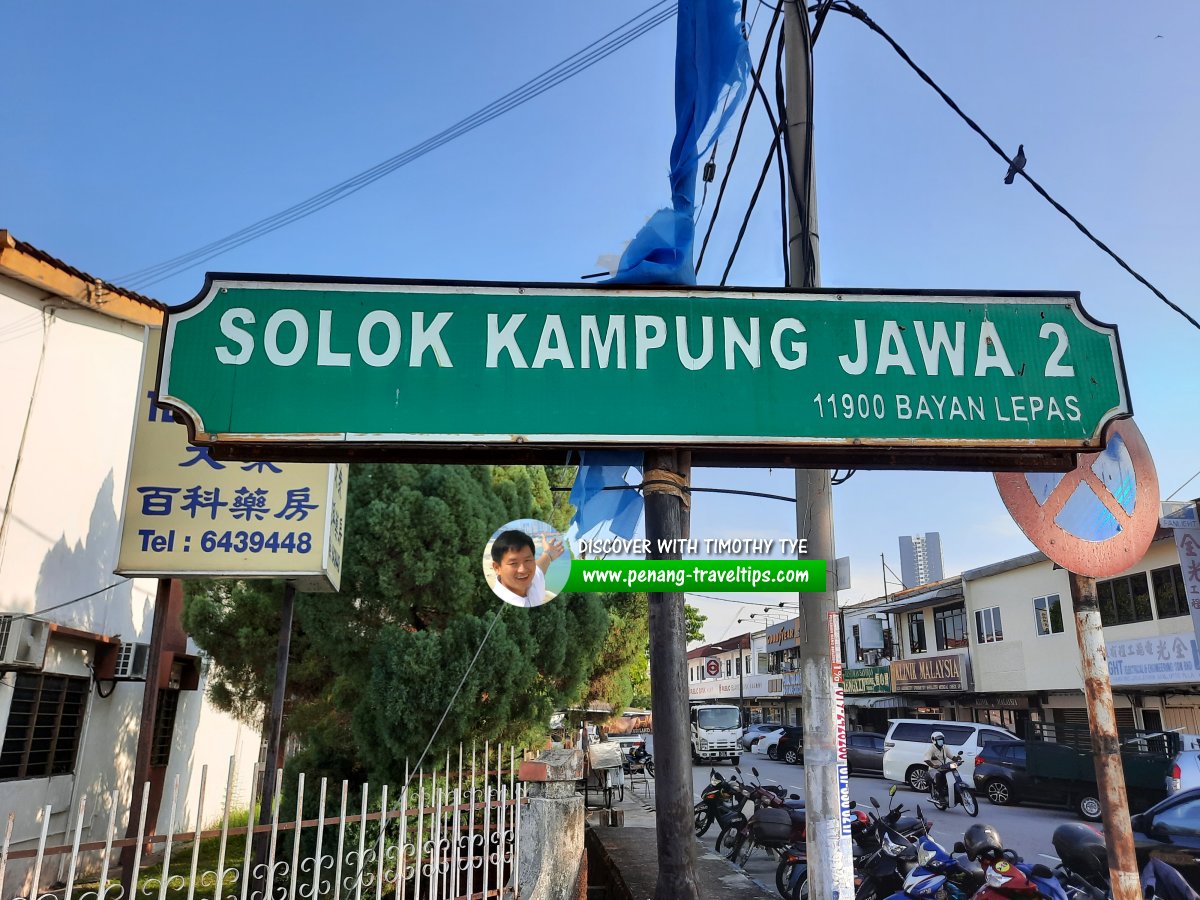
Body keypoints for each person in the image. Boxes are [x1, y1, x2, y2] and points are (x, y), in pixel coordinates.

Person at [489, 529, 565, 608]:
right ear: (497, 568)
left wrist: (548, 554)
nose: (523, 570)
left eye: (527, 560)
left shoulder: (533, 581)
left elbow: (540, 568)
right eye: (513, 563)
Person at [923, 730, 952, 800]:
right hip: (933, 769)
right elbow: (926, 759)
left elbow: (951, 756)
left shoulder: (945, 748)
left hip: (943, 768)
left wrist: (957, 759)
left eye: (942, 739)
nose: (941, 741)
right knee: (938, 775)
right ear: (934, 740)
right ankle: (940, 795)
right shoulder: (931, 748)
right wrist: (933, 765)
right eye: (939, 739)